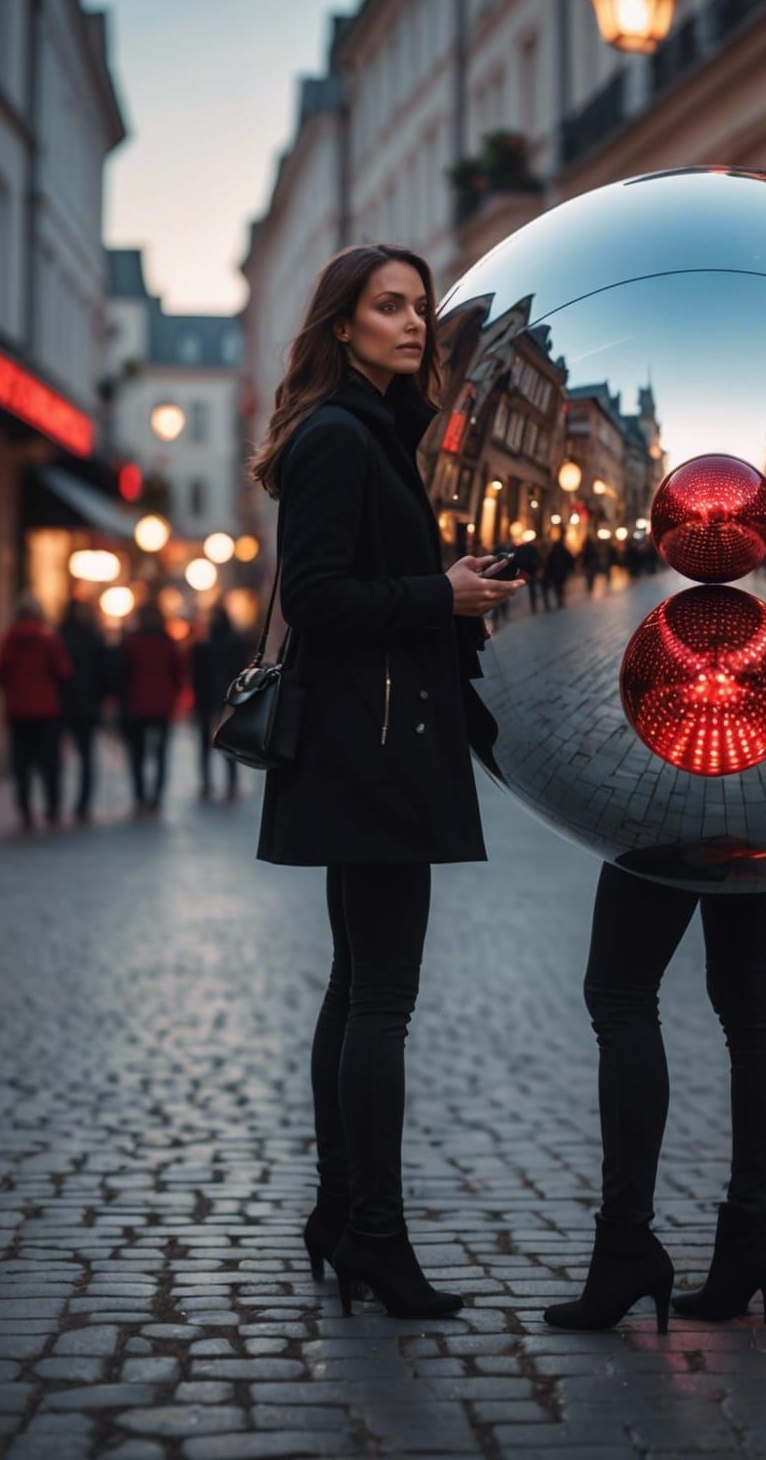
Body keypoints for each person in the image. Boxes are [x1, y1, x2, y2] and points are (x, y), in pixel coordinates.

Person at [248, 243, 522, 1321]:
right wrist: (435, 594)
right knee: (381, 997)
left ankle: (340, 1210)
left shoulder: (377, 433)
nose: (414, 324)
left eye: (419, 307)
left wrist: (452, 591)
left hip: (380, 740)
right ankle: (374, 1234)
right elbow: (316, 597)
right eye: (389, 306)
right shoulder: (336, 438)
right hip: (371, 751)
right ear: (343, 324)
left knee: (357, 985)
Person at [545, 865, 766, 1334]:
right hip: (759, 804)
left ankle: (626, 1243)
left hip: (680, 804)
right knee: (750, 1001)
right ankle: (749, 1238)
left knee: (620, 992)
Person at [0, 593, 72, 830]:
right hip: (46, 709)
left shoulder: (9, 638)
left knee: (22, 763)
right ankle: (52, 807)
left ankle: (25, 811)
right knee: (49, 762)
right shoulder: (49, 639)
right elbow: (64, 671)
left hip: (18, 710)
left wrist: (15, 688)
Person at [119, 603, 183, 815]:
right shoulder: (167, 642)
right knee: (161, 752)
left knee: (137, 754)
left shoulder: (131, 642)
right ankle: (156, 796)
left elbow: (123, 673)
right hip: (162, 704)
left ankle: (140, 795)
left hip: (136, 703)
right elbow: (178, 672)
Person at [58, 598, 113, 822]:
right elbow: (105, 674)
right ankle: (81, 804)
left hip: (67, 704)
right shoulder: (94, 638)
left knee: (61, 755)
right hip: (85, 704)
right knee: (85, 756)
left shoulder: (61, 636)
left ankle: (60, 803)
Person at [192, 604, 251, 800]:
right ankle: (225, 783)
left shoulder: (205, 643)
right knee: (225, 740)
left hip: (210, 697)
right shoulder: (232, 641)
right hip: (222, 696)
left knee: (213, 741)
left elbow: (196, 673)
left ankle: (210, 783)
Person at [511, 534, 544, 612]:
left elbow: (518, 559)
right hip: (532, 570)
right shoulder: (532, 548)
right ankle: (534, 605)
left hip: (526, 571)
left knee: (531, 588)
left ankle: (533, 605)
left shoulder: (521, 549)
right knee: (533, 588)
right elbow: (537, 558)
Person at [544, 535, 574, 608]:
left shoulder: (553, 551)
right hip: (562, 571)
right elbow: (570, 558)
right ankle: (560, 597)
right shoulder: (563, 550)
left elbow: (549, 562)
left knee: (557, 585)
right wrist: (570, 567)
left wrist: (548, 571)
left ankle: (559, 597)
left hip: (555, 572)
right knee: (561, 585)